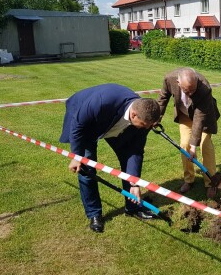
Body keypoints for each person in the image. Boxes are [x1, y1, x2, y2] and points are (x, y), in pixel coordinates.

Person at [59, 83, 161, 233]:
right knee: (87, 169)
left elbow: (135, 152)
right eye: (143, 125)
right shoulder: (102, 101)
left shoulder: (144, 119)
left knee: (127, 158)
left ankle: (132, 207)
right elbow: (78, 126)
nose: (145, 129)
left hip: (115, 125)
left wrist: (134, 183)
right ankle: (94, 214)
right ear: (133, 115)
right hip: (87, 124)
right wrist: (76, 156)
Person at [157, 67, 220, 198]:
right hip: (184, 114)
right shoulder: (169, 79)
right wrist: (157, 116)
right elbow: (163, 97)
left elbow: (199, 117)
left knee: (204, 144)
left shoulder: (204, 87)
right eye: (187, 90)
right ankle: (189, 179)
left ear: (196, 80)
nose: (190, 93)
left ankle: (210, 182)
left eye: (193, 89)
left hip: (204, 115)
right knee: (184, 144)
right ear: (178, 83)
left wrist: (193, 147)